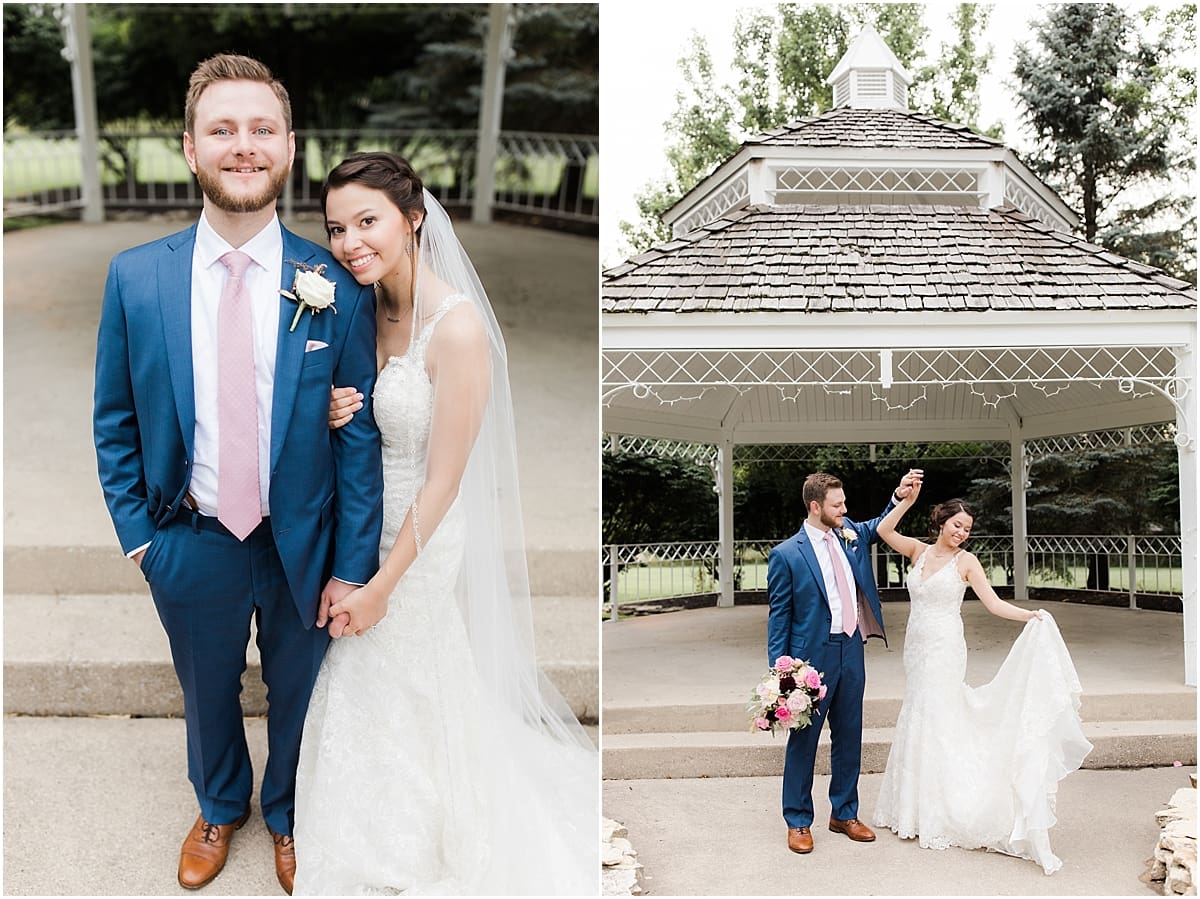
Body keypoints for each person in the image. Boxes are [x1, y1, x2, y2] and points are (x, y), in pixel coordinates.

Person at [93, 56, 383, 894]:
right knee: (206, 687)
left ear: (289, 148)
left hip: (305, 538)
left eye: (261, 130)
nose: (243, 146)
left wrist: (351, 563)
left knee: (296, 690)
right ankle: (220, 804)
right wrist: (141, 541)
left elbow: (358, 436)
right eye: (223, 130)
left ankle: (289, 811)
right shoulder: (136, 277)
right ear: (191, 148)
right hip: (190, 534)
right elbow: (114, 419)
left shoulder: (335, 284)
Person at [290, 152, 598, 895]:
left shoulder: (457, 330)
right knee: (361, 670)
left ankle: (414, 836)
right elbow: (356, 407)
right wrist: (335, 411)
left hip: (422, 534)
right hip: (361, 513)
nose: (350, 242)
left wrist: (382, 585)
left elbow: (446, 480)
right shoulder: (359, 305)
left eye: (369, 222)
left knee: (398, 662)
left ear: (414, 219)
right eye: (337, 227)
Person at [872, 481, 1093, 873]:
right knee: (918, 713)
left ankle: (946, 809)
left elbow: (992, 604)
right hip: (917, 648)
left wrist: (1030, 615)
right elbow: (884, 531)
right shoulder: (918, 552)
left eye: (967, 529)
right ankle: (914, 809)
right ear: (941, 522)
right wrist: (907, 501)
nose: (961, 532)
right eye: (957, 525)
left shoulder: (967, 562)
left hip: (944, 648)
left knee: (941, 717)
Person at [767, 469, 921, 855]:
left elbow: (875, 526)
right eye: (838, 504)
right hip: (810, 658)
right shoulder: (787, 554)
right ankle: (798, 820)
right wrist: (781, 674)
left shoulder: (848, 532)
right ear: (816, 506)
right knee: (804, 741)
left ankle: (845, 813)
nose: (845, 509)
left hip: (851, 649)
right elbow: (779, 617)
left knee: (849, 735)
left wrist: (899, 497)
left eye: (845, 503)